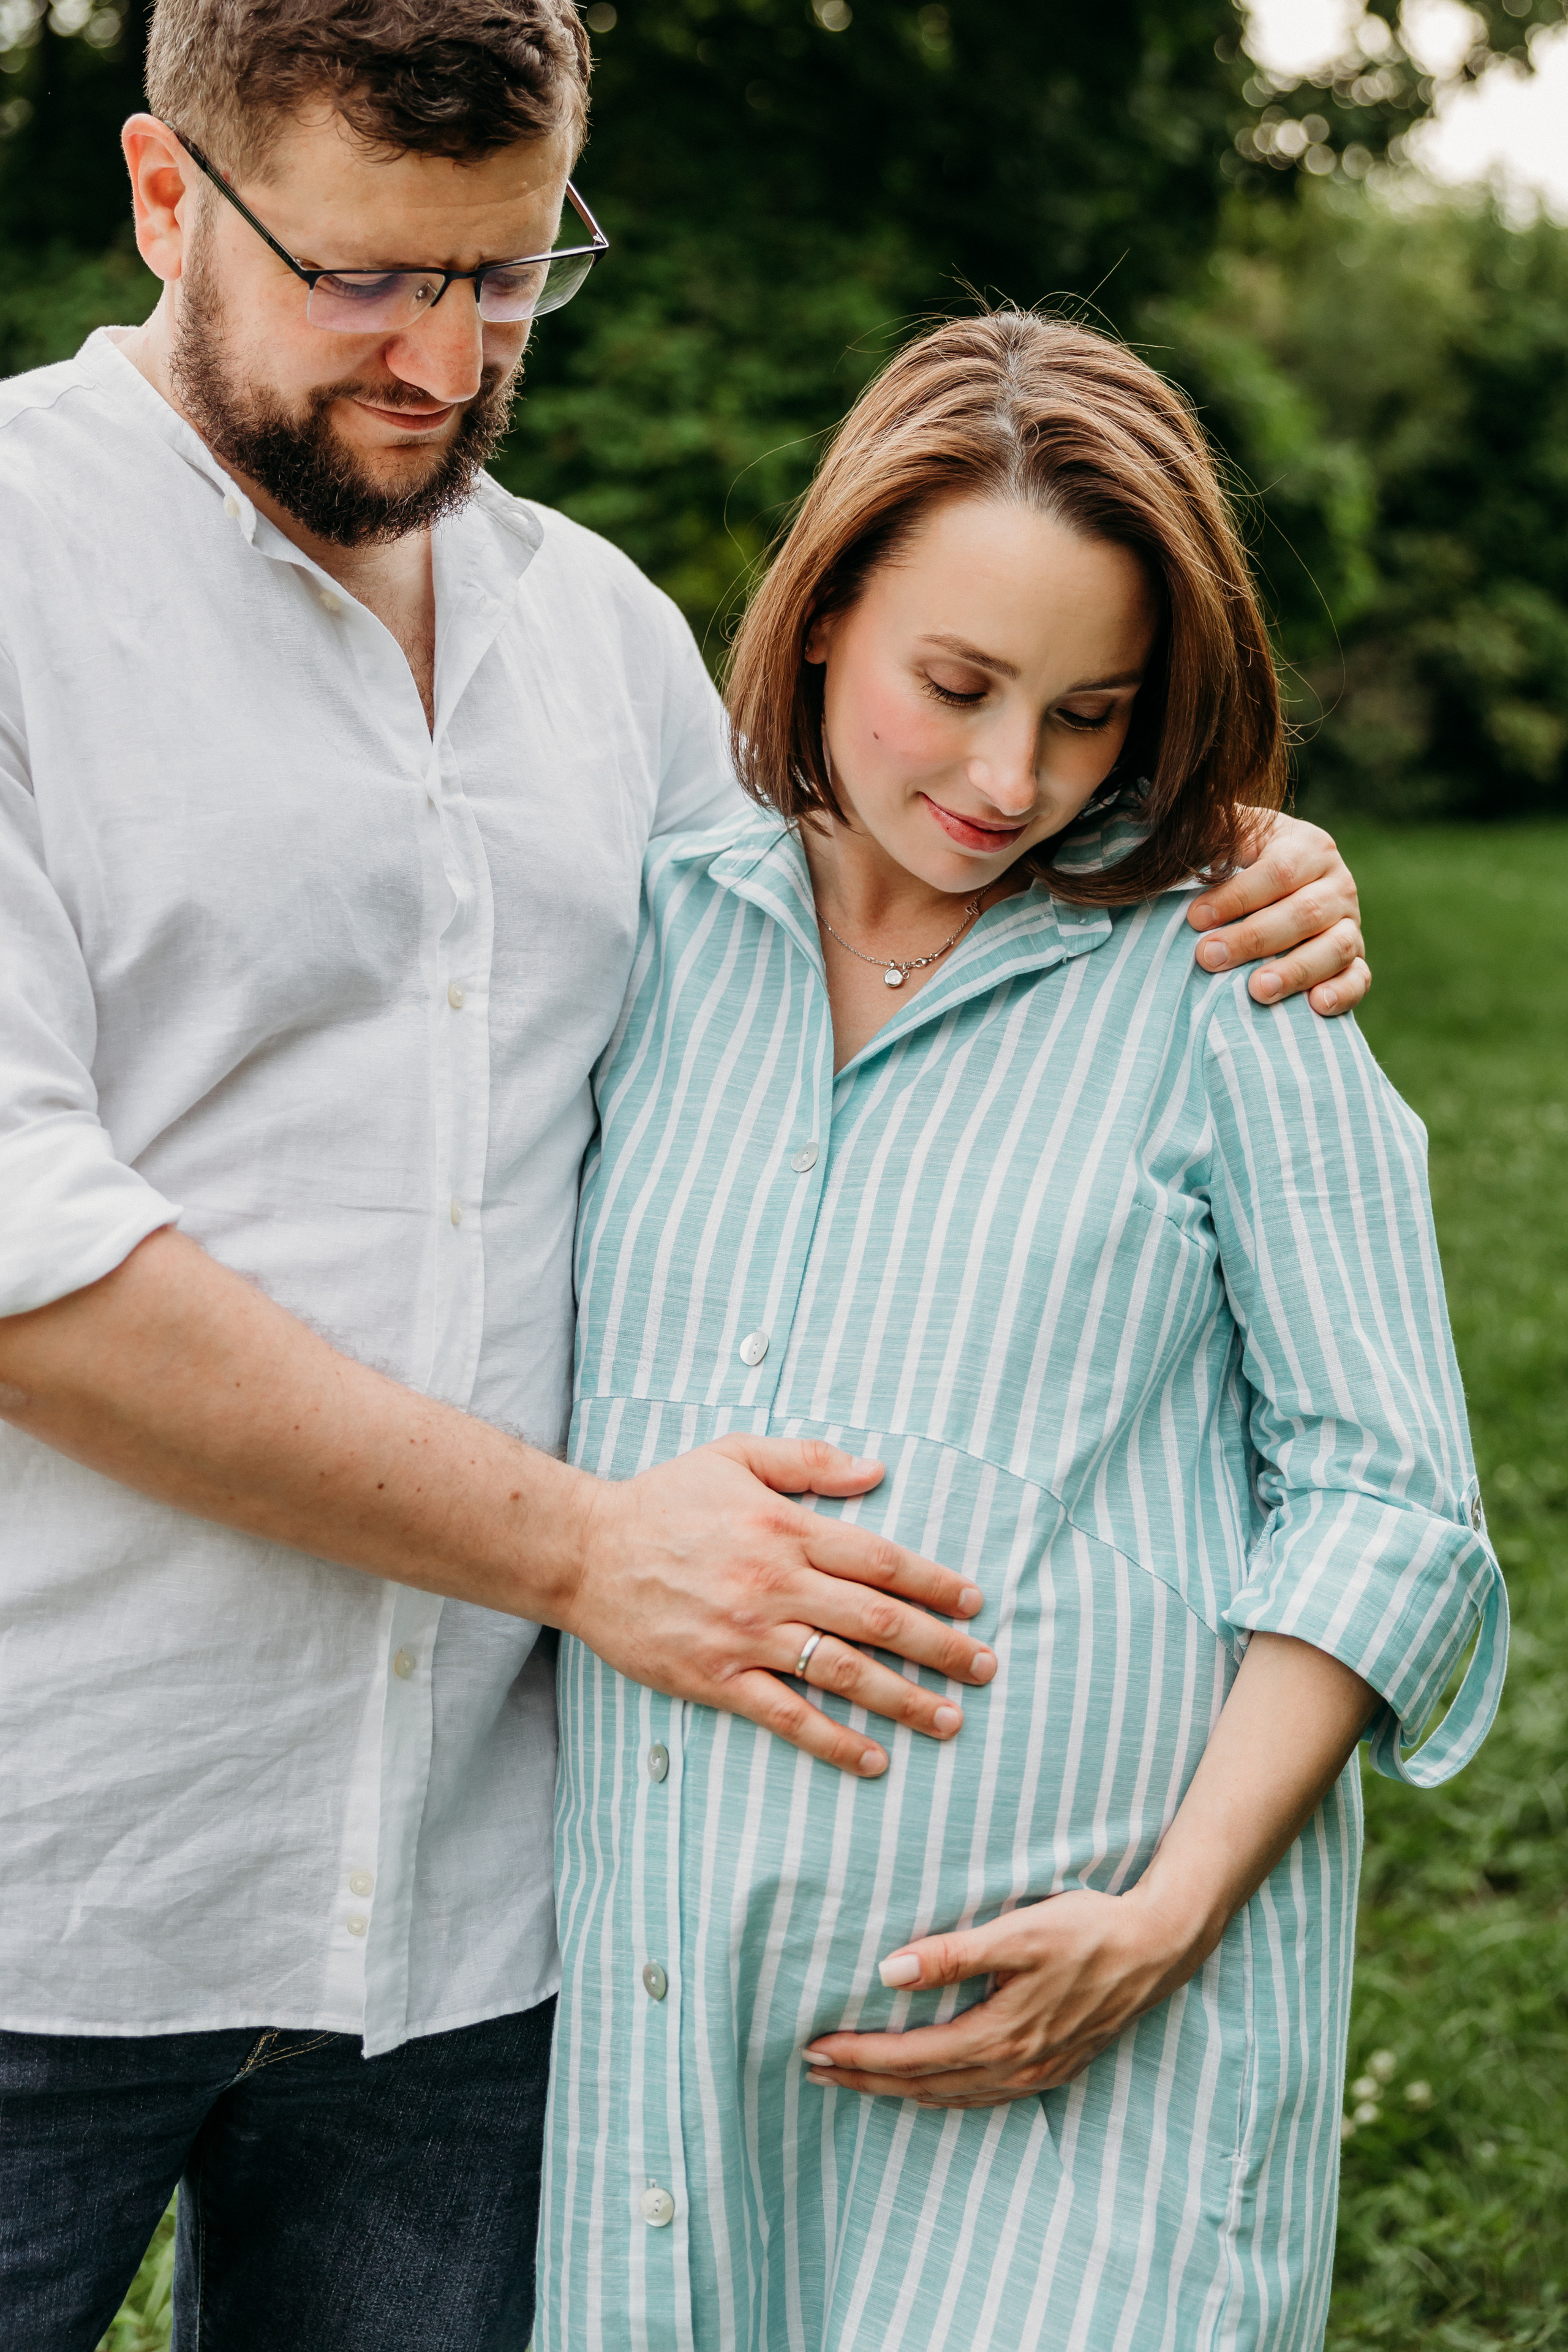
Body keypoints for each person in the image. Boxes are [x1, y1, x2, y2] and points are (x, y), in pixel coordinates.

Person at [0, 4, 1367, 2345]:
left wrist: (1213, 842)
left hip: (477, 1941)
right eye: (367, 279)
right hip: (57, 1871)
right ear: (162, 198)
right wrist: (596, 1552)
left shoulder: (596, 641)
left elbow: (873, 928)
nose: (445, 358)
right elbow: (29, 1262)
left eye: (515, 274)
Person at [540, 311, 1508, 2352]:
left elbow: (1392, 1503)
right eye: (955, 688)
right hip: (668, 2068)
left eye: (1094, 713)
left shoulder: (1224, 961)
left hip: (1096, 2078)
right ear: (820, 620)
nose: (1011, 781)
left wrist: (1160, 1926)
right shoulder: (647, 934)